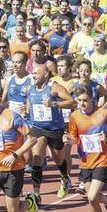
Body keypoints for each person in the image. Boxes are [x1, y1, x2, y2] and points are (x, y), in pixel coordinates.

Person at [67, 87, 107, 212]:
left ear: (92, 100)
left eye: (85, 100)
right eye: (79, 100)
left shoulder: (103, 113)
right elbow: (75, 138)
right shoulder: (75, 116)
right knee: (92, 199)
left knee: (91, 195)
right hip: (85, 161)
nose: (82, 103)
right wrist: (70, 141)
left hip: (103, 159)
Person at [24, 63, 75, 203]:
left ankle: (65, 177)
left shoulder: (54, 87)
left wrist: (54, 104)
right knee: (37, 159)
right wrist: (27, 111)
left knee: (58, 159)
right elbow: (30, 101)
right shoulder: (30, 88)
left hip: (54, 129)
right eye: (32, 72)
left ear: (46, 73)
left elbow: (72, 102)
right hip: (37, 128)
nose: (33, 75)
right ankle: (36, 193)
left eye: (36, 72)